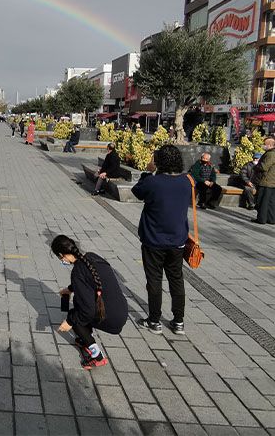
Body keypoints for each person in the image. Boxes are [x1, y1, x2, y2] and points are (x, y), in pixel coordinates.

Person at [132, 145, 192, 335]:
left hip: (153, 240)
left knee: (154, 280)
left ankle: (154, 320)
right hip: (177, 240)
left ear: (159, 161)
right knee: (176, 279)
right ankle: (178, 321)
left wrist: (147, 173)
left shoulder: (153, 182)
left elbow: (137, 191)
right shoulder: (187, 181)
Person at [51, 235, 127, 370]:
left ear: (62, 255)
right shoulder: (92, 257)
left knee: (76, 315)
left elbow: (87, 311)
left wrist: (69, 322)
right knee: (80, 303)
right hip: (121, 309)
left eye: (60, 258)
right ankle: (84, 338)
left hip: (112, 318)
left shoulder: (77, 272)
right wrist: (69, 289)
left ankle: (97, 356)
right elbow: (91, 279)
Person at [252, 136, 275, 224]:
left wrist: (256, 166)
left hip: (266, 181)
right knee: (270, 202)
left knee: (263, 201)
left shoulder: (270, 154)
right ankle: (271, 219)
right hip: (271, 181)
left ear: (269, 145)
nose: (263, 146)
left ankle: (261, 219)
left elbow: (264, 166)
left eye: (264, 144)